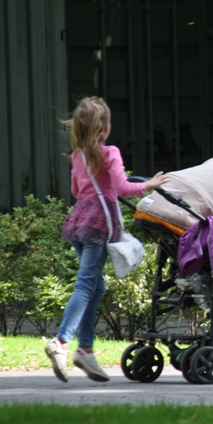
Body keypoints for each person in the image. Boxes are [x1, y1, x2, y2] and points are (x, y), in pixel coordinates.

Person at [44, 96, 169, 383]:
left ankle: (85, 349)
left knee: (95, 285)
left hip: (78, 222)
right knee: (87, 284)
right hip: (100, 224)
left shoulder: (78, 156)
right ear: (104, 128)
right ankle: (62, 343)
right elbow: (123, 188)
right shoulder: (109, 153)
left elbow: (77, 190)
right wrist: (148, 185)